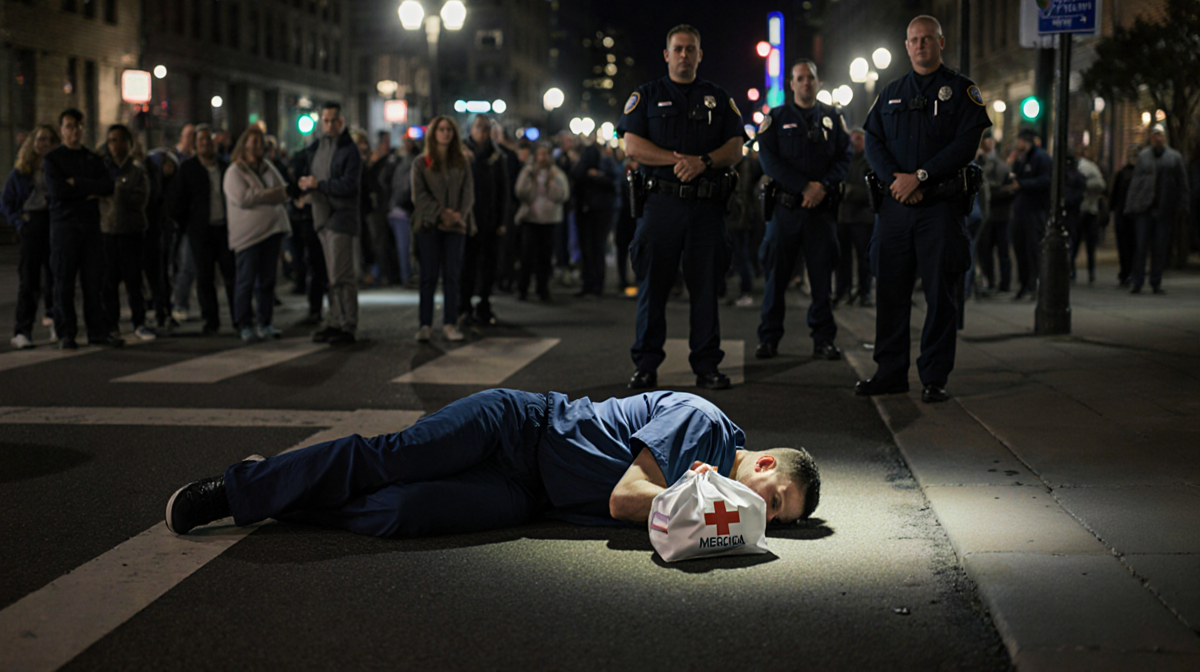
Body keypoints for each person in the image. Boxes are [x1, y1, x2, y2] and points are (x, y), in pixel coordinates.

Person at [164, 388, 821, 539]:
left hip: (529, 494)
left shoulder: (714, 494)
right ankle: (242, 485)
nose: (766, 510)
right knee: (391, 460)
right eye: (778, 496)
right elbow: (626, 497)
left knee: (405, 513)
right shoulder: (704, 424)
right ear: (764, 462)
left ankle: (289, 494)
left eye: (779, 516)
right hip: (519, 425)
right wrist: (697, 503)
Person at [858, 15, 991, 403]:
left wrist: (921, 176)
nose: (920, 45)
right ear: (906, 45)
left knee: (941, 296)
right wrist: (896, 182)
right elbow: (872, 143)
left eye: (927, 39)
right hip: (896, 208)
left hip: (940, 208)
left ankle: (934, 377)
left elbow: (967, 145)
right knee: (891, 293)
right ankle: (890, 372)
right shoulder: (891, 92)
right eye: (914, 40)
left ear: (940, 42)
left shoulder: (962, 91)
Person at [617, 25, 746, 391]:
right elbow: (631, 146)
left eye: (691, 49)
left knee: (705, 290)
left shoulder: (718, 99)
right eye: (678, 49)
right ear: (667, 54)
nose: (685, 55)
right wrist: (678, 161)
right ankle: (645, 366)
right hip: (660, 205)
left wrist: (702, 162)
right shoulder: (646, 96)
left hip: (705, 208)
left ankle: (706, 366)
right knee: (653, 289)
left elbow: (735, 148)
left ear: (700, 55)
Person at [755, 59, 852, 362]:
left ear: (818, 82)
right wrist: (802, 187)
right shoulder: (777, 117)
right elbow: (768, 159)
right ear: (792, 84)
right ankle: (769, 339)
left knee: (821, 279)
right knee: (777, 278)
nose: (806, 83)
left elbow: (844, 157)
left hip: (820, 211)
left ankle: (823, 339)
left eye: (810, 78)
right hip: (786, 209)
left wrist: (821, 186)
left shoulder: (833, 118)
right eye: (800, 78)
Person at [44, 108, 120, 350]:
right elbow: (58, 191)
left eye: (77, 126)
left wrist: (77, 183)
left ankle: (97, 330)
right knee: (64, 281)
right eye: (68, 126)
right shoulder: (53, 159)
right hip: (65, 226)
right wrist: (88, 190)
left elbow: (107, 186)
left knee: (93, 280)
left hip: (90, 226)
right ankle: (67, 332)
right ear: (61, 130)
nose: (74, 131)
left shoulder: (92, 158)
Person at [297, 102, 362, 346]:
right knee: (331, 275)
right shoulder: (317, 147)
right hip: (321, 216)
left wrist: (318, 185)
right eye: (325, 120)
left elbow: (349, 186)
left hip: (341, 217)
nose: (329, 124)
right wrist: (305, 185)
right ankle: (335, 321)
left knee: (341, 275)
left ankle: (348, 325)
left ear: (341, 122)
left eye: (333, 120)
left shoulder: (349, 150)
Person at [224, 125, 292, 343]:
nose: (256, 146)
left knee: (267, 282)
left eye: (259, 142)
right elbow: (244, 198)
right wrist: (271, 195)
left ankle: (265, 322)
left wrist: (269, 195)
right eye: (252, 142)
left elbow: (284, 192)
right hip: (248, 237)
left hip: (272, 233)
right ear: (244, 145)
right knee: (245, 282)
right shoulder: (234, 172)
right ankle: (244, 324)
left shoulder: (267, 167)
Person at [168, 124, 236, 336]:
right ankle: (211, 320)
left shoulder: (226, 167)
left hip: (225, 229)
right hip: (201, 231)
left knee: (231, 275)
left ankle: (239, 317)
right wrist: (188, 225)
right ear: (195, 145)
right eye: (201, 141)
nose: (205, 143)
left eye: (208, 139)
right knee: (204, 278)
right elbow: (177, 201)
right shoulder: (188, 169)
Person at [411, 115, 473, 343]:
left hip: (455, 227)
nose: (445, 133)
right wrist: (441, 213)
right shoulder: (421, 162)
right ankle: (425, 324)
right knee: (428, 276)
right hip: (429, 226)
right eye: (441, 129)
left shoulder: (461, 162)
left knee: (452, 276)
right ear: (433, 133)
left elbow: (468, 193)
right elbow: (419, 196)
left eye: (449, 130)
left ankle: (450, 322)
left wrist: (458, 215)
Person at [2, 124, 60, 349]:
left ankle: (56, 322)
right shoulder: (21, 171)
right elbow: (6, 202)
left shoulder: (56, 168)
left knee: (55, 277)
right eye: (40, 139)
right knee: (29, 280)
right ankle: (22, 331)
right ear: (32, 143)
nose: (43, 144)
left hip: (52, 223)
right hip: (32, 224)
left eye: (48, 140)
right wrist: (19, 221)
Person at [98, 124, 154, 341]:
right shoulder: (103, 170)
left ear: (129, 144)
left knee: (134, 280)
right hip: (108, 231)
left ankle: (139, 322)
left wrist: (117, 193)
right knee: (109, 281)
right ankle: (112, 324)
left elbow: (140, 200)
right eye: (111, 140)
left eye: (120, 140)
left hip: (132, 232)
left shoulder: (137, 172)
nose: (115, 145)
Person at [1124, 125, 1190, 294]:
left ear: (1164, 137)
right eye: (1155, 136)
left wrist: (1183, 205)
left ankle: (1155, 281)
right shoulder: (1144, 156)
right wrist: (1130, 206)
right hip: (1144, 207)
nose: (1157, 138)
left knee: (1159, 247)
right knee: (1141, 246)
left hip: (1164, 208)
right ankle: (1137, 281)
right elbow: (1135, 183)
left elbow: (1182, 183)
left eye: (1160, 135)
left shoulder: (1174, 158)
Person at [460, 115, 509, 327]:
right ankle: (463, 307)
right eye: (479, 127)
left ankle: (484, 305)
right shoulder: (462, 154)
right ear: (471, 130)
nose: (483, 132)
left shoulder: (496, 157)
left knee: (489, 266)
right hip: (467, 219)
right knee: (466, 266)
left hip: (489, 220)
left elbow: (503, 191)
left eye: (486, 128)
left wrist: (501, 220)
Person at [514, 143, 571, 301]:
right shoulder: (529, 171)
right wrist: (531, 179)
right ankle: (522, 288)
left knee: (545, 257)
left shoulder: (557, 174)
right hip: (530, 218)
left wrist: (551, 183)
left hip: (549, 220)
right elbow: (520, 191)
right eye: (540, 154)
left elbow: (562, 195)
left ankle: (542, 288)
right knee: (527, 256)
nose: (543, 157)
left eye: (546, 154)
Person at [571, 134, 620, 297]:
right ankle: (593, 283)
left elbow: (614, 183)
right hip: (595, 210)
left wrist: (596, 177)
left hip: (595, 210)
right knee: (593, 248)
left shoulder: (602, 165)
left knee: (594, 247)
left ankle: (594, 283)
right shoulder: (600, 164)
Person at [1006, 129, 1051, 301]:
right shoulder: (1022, 158)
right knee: (1020, 248)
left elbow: (1046, 181)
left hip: (1034, 210)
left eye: (1018, 140)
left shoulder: (1040, 158)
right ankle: (1024, 284)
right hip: (1020, 210)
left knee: (1033, 249)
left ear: (1025, 141)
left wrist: (1022, 184)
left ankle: (1034, 285)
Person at [836, 127, 874, 308]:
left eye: (858, 139)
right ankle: (843, 290)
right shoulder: (845, 160)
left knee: (863, 259)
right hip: (844, 217)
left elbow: (871, 192)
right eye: (852, 139)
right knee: (842, 258)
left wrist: (850, 192)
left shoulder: (870, 162)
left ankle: (864, 292)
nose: (854, 142)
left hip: (862, 219)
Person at [977, 130, 1013, 293]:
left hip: (1000, 213)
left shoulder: (1000, 164)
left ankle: (1003, 282)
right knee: (986, 251)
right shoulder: (980, 162)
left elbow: (1007, 187)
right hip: (988, 214)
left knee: (1002, 250)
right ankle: (990, 280)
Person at [387, 138, 420, 287]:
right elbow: (406, 187)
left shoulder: (399, 163)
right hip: (402, 209)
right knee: (405, 245)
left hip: (396, 208)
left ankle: (405, 275)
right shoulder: (411, 164)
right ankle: (406, 276)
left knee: (404, 245)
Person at [1070, 151, 1107, 284]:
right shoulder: (1090, 167)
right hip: (1086, 209)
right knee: (1082, 242)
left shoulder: (1088, 168)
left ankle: (1079, 271)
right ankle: (1085, 271)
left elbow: (1101, 185)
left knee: (1080, 242)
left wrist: (1084, 185)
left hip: (1087, 210)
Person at [1110, 147, 1138, 287]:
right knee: (1124, 245)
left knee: (1131, 245)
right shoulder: (1122, 174)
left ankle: (1129, 272)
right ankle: (1125, 272)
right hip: (1122, 214)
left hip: (1132, 215)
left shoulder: (1138, 175)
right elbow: (1115, 195)